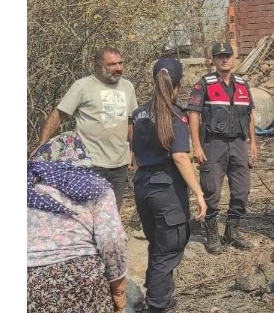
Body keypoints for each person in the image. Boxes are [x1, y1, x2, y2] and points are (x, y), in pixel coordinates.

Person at [131, 58, 208, 313]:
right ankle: (157, 305)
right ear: (178, 84)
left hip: (143, 186)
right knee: (169, 249)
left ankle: (158, 294)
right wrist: (198, 193)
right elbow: (179, 157)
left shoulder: (139, 113)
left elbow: (133, 146)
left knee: (157, 245)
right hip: (166, 190)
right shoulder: (176, 115)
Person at [28, 132, 128, 313]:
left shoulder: (28, 190)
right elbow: (112, 240)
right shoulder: (96, 188)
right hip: (82, 277)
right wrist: (118, 289)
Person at [31, 46, 139, 210]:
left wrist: (135, 150)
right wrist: (42, 144)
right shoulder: (83, 86)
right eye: (111, 64)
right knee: (89, 212)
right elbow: (59, 114)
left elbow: (130, 121)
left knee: (113, 213)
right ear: (97, 66)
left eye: (120, 63)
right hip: (89, 162)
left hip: (119, 163)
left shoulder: (127, 87)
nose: (118, 68)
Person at [186, 42, 258, 254]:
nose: (224, 59)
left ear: (233, 58)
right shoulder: (204, 85)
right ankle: (212, 234)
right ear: (213, 60)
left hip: (238, 143)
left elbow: (250, 115)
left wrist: (253, 142)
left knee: (242, 190)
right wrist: (196, 146)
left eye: (228, 56)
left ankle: (232, 231)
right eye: (220, 57)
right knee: (212, 191)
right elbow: (193, 114)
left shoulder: (242, 84)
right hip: (213, 144)